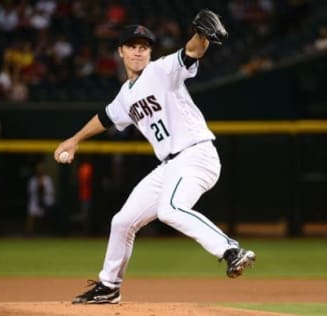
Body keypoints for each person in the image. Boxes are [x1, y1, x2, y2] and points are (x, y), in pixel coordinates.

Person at [54, 9, 256, 304]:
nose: (138, 51)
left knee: (170, 209)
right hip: (170, 166)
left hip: (196, 155)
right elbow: (105, 117)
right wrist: (74, 140)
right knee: (123, 221)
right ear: (121, 51)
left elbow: (191, 51)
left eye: (144, 46)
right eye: (133, 46)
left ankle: (230, 250)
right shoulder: (125, 94)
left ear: (150, 52)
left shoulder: (161, 71)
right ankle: (109, 286)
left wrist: (202, 35)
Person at [26, 162, 55, 234]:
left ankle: (48, 232)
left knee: (49, 215)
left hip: (46, 201)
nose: (40, 171)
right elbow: (30, 191)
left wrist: (43, 187)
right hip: (36, 201)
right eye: (39, 169)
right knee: (31, 214)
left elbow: (51, 192)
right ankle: (30, 233)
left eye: (42, 169)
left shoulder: (47, 179)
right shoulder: (33, 180)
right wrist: (38, 186)